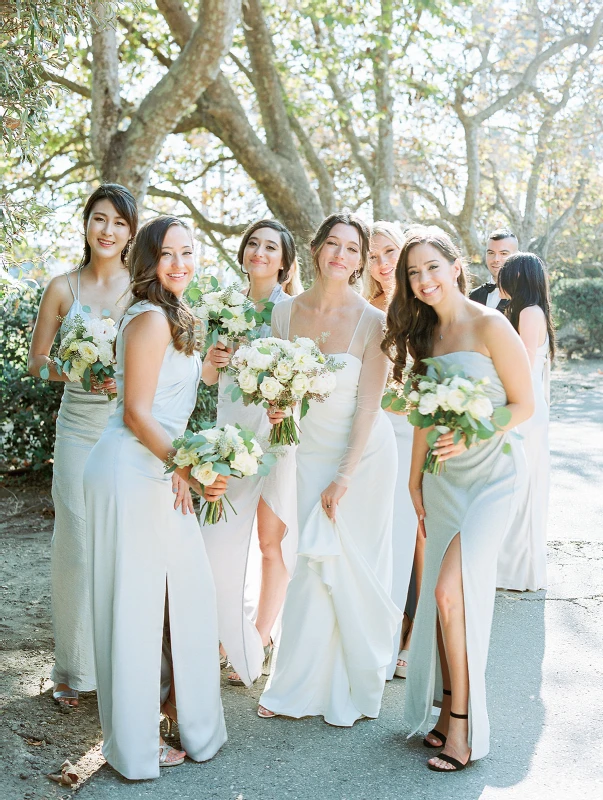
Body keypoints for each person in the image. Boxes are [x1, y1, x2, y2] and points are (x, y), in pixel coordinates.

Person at [383, 226, 533, 771]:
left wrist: (474, 430)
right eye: (412, 273)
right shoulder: (426, 336)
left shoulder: (491, 324)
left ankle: (465, 733)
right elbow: (424, 410)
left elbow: (523, 406)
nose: (423, 281)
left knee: (450, 594)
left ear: (454, 267)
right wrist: (414, 478)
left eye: (431, 267)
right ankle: (446, 713)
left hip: (493, 477)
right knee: (442, 602)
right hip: (443, 481)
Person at [83, 216, 228, 779]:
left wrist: (209, 370)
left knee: (182, 593)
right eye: (167, 254)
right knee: (138, 605)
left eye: (188, 253)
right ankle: (137, 744)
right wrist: (187, 467)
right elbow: (137, 412)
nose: (180, 264)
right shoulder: (147, 318)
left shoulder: (171, 315)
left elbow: (168, 398)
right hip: (130, 468)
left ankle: (175, 717)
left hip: (158, 467)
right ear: (148, 260)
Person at [258, 212, 399, 726]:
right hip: (310, 452)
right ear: (316, 249)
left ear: (361, 261)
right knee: (312, 563)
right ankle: (295, 685)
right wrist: (277, 409)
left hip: (363, 457)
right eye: (333, 244)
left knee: (349, 563)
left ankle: (350, 684)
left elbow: (368, 406)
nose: (342, 254)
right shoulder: (284, 314)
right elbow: (278, 385)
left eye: (353, 248)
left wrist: (345, 475)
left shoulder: (373, 322)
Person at [28, 184, 138, 709]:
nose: (107, 230)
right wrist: (73, 368)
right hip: (75, 429)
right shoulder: (61, 287)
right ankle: (72, 668)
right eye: (99, 219)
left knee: (119, 545)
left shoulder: (141, 289)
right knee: (75, 543)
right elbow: (38, 363)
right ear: (86, 225)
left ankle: (118, 663)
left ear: (131, 232)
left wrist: (122, 378)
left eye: (118, 222)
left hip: (124, 429)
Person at [201, 219, 302, 688]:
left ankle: (258, 639)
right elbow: (204, 377)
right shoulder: (224, 305)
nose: (260, 252)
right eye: (254, 245)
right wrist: (213, 360)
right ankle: (224, 630)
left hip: (273, 431)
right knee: (217, 537)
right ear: (243, 252)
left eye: (270, 247)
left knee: (268, 540)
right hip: (230, 432)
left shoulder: (291, 309)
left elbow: (301, 374)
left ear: (284, 261)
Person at [367, 221, 421, 680]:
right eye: (372, 255)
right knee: (373, 535)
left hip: (408, 433)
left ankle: (408, 632)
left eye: (389, 252)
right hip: (367, 435)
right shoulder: (365, 308)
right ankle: (372, 631)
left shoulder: (421, 305)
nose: (382, 264)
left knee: (408, 537)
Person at [496, 253, 554, 591]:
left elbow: (521, 361)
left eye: (506, 274)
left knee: (520, 482)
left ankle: (515, 570)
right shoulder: (527, 311)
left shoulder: (530, 313)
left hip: (525, 407)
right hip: (524, 402)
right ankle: (506, 565)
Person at [469, 229, 518, 311]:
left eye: (503, 254)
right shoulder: (473, 295)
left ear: (516, 256)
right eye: (491, 253)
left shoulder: (524, 295)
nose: (496, 259)